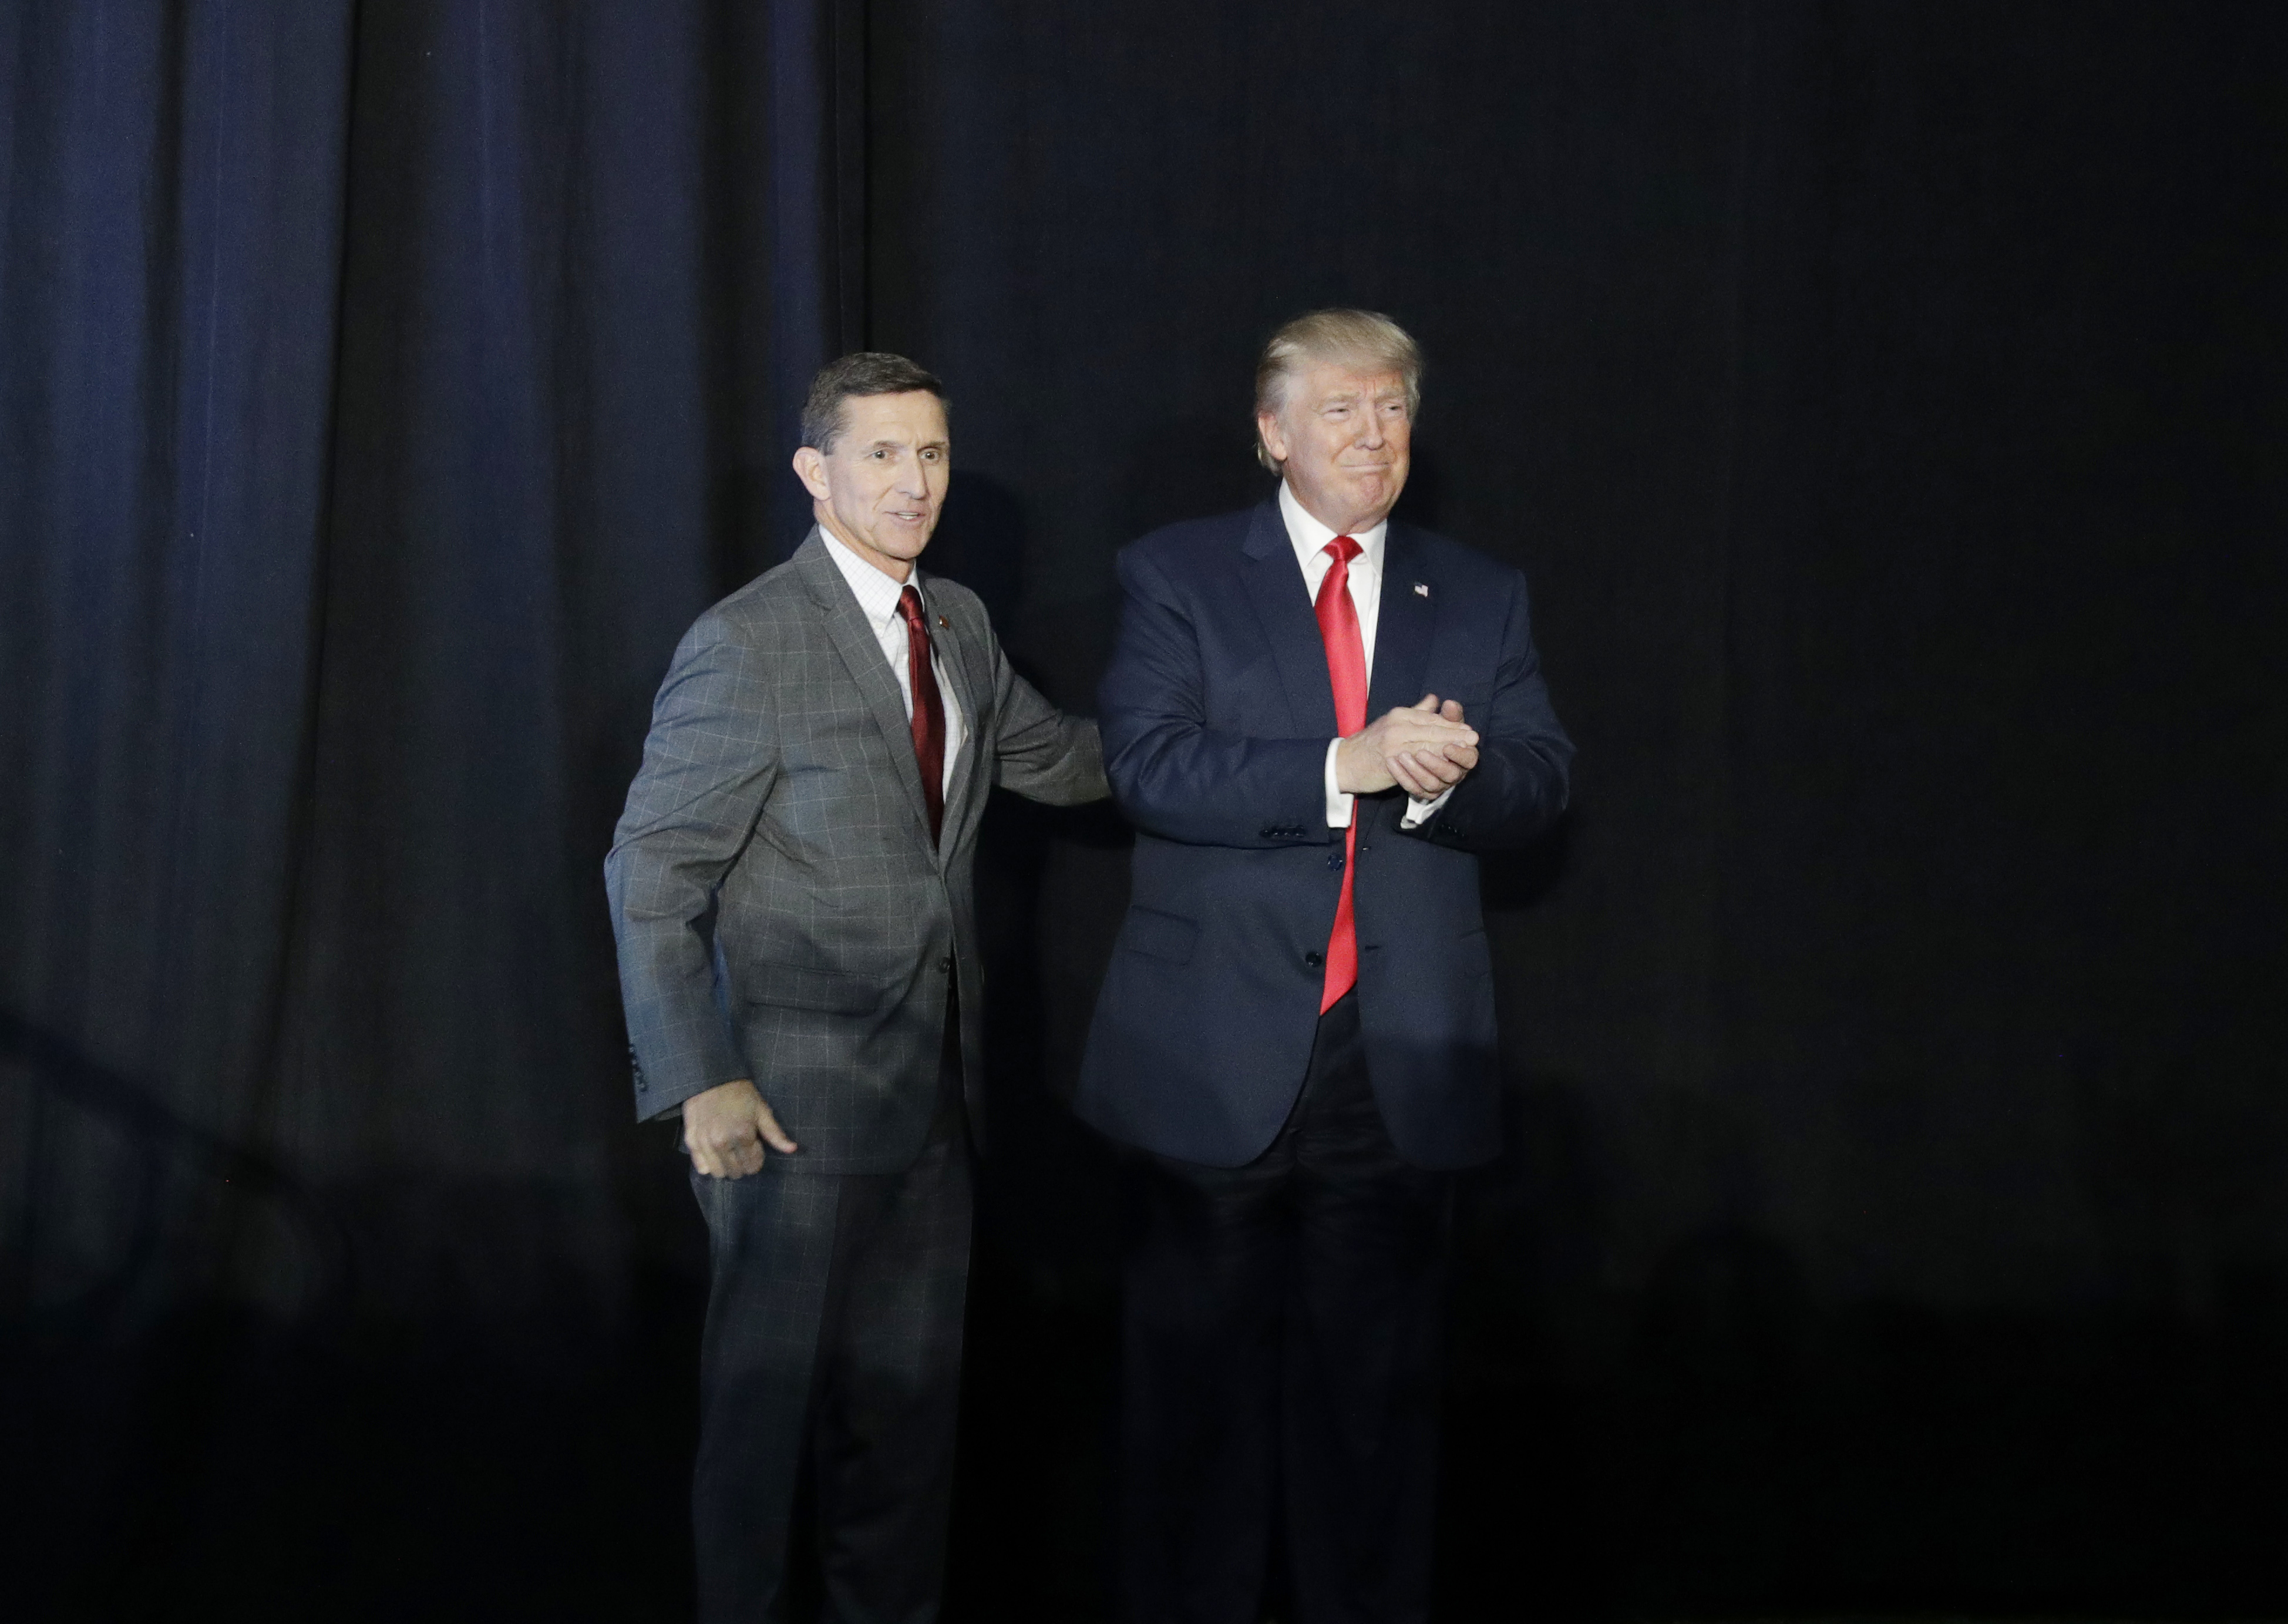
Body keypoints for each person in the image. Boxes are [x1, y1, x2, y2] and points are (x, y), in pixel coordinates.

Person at [1075, 310, 1574, 1624]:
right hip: (1210, 1054)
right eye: (1342, 412)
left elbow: (1540, 784)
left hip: (1393, 1058)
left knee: (1375, 1409)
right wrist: (1340, 764)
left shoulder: (1477, 592)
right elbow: (1148, 766)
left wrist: (1444, 777)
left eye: (1394, 410)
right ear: (1271, 433)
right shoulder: (1175, 574)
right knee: (1196, 1411)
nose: (1374, 436)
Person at [605, 352, 1106, 1623]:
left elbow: (1067, 763)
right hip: (784, 1112)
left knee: (905, 1431)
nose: (912, 481)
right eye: (881, 454)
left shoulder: (964, 624)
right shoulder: (748, 642)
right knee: (765, 1435)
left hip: (936, 1104)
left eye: (930, 452)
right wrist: (701, 1076)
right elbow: (652, 871)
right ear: (814, 473)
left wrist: (1314, 754)